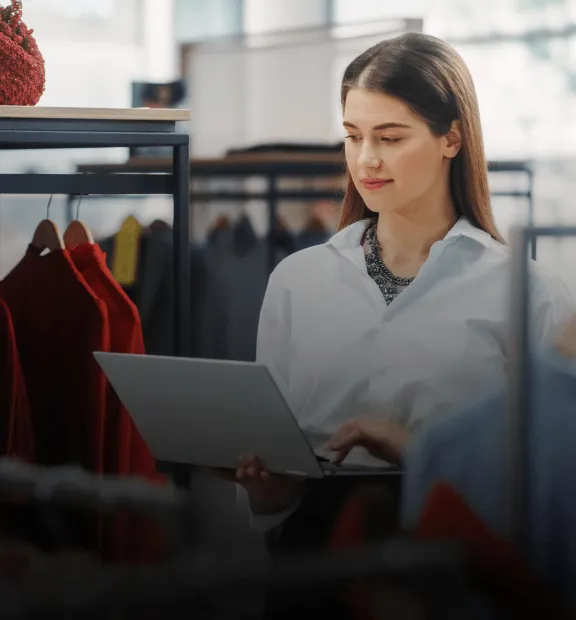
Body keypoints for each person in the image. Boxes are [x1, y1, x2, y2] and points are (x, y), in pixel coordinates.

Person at [226, 32, 574, 617]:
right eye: (353, 136)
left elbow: (554, 486)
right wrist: (269, 490)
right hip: (309, 568)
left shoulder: (527, 290)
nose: (366, 160)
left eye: (389, 138)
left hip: (452, 569)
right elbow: (277, 462)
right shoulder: (297, 280)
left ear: (452, 139)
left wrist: (420, 452)